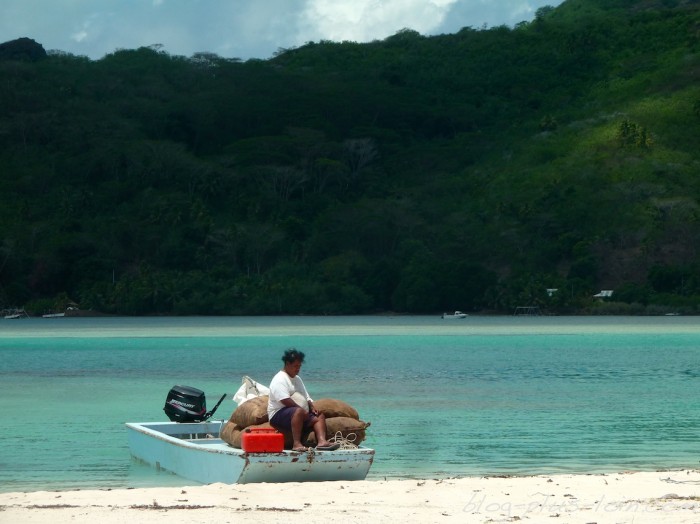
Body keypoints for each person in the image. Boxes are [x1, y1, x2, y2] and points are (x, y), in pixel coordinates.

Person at [267, 348, 339, 452]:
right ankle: (296, 444)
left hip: (298, 413)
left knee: (319, 415)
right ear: (287, 364)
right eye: (295, 366)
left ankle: (322, 442)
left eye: (299, 366)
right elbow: (285, 400)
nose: (298, 369)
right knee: (299, 411)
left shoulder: (297, 379)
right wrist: (301, 411)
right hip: (278, 414)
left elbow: (306, 396)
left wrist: (312, 407)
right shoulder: (279, 379)